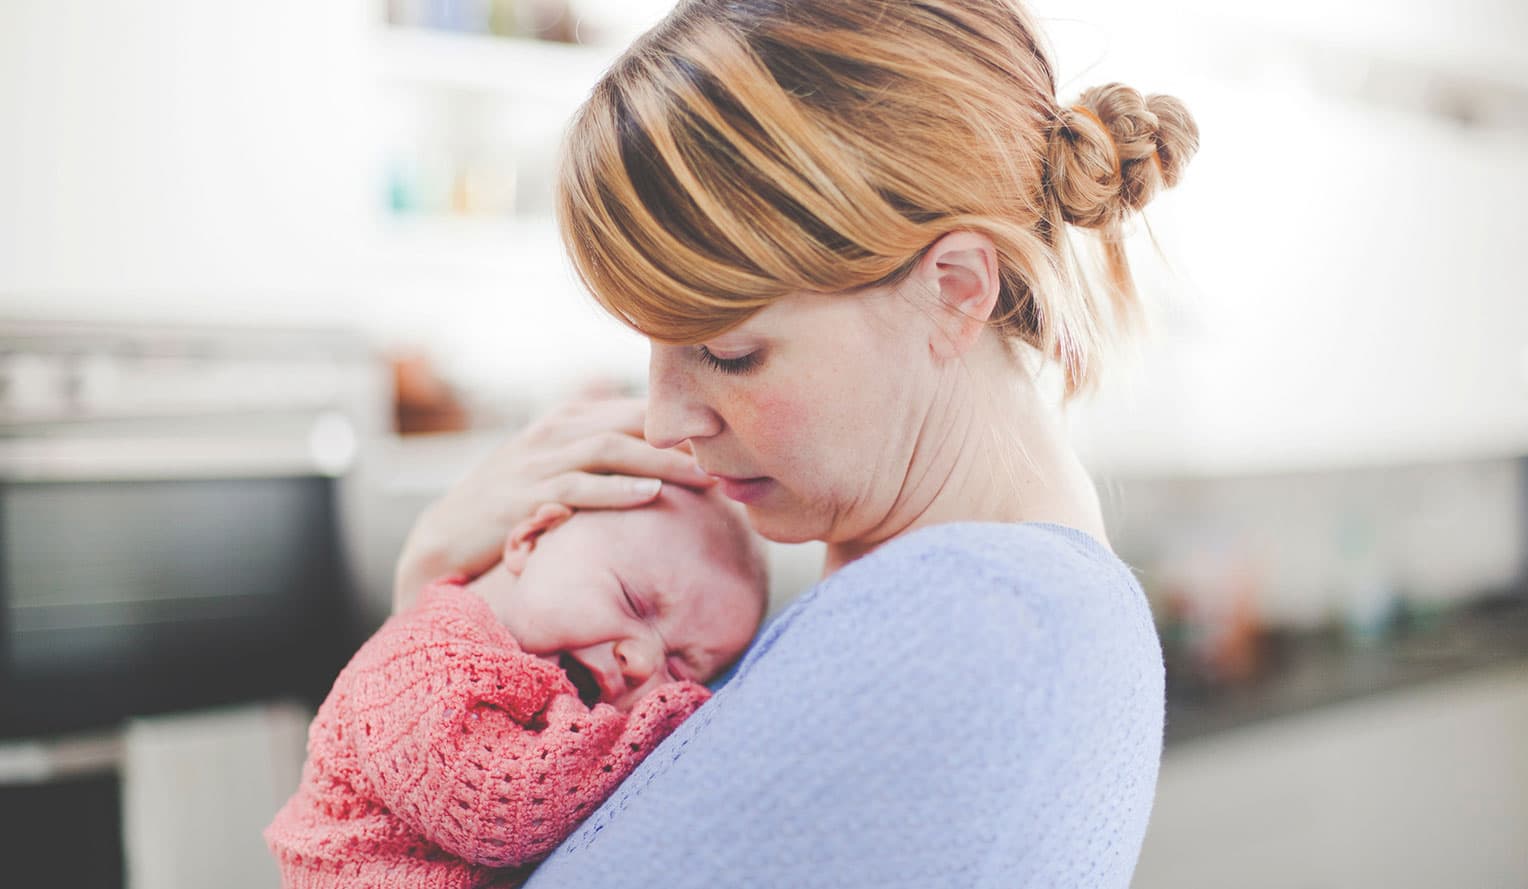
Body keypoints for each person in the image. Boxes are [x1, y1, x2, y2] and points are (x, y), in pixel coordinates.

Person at [394, 0, 1198, 885]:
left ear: (957, 289)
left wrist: (420, 616)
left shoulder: (962, 630)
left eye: (730, 353)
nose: (666, 421)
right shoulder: (952, 602)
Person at [266, 485, 767, 888]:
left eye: (680, 669)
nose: (642, 660)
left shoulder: (538, 668)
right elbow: (502, 814)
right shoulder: (420, 659)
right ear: (531, 538)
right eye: (633, 602)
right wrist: (671, 712)